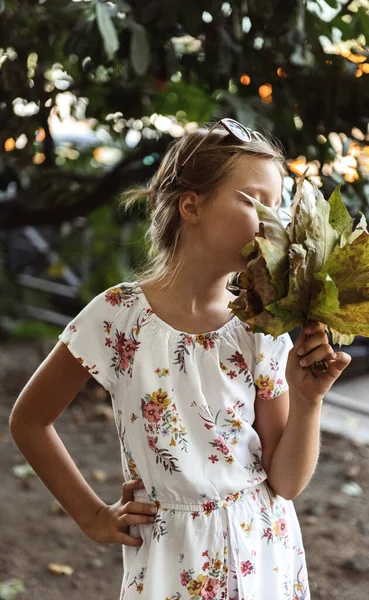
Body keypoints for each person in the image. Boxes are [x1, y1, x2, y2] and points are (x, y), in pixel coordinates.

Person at [9, 119, 351, 600]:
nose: (275, 223)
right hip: (171, 562)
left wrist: (308, 398)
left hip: (263, 554)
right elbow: (30, 420)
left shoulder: (261, 325)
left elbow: (287, 483)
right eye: (257, 202)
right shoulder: (116, 318)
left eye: (280, 207)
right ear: (192, 206)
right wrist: (92, 517)